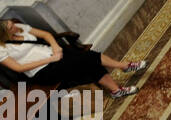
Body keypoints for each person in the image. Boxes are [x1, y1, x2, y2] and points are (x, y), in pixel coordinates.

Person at [1, 18, 143, 100]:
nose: (14, 25)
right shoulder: (1, 49)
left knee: (88, 60)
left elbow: (45, 35)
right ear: (4, 34)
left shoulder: (20, 27)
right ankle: (123, 67)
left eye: (12, 23)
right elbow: (18, 68)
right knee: (89, 59)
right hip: (42, 71)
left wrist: (55, 46)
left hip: (56, 55)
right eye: (10, 27)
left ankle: (116, 89)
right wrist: (50, 60)